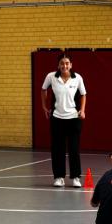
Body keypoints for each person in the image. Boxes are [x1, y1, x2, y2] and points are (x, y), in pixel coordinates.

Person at [41, 53, 87, 187]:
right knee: (57, 149)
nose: (64, 66)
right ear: (58, 65)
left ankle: (76, 177)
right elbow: (43, 89)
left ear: (71, 65)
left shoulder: (77, 78)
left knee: (74, 149)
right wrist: (44, 106)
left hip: (73, 118)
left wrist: (82, 110)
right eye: (62, 63)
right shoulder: (51, 77)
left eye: (67, 63)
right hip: (57, 118)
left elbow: (83, 94)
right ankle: (58, 177)